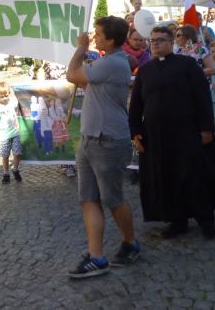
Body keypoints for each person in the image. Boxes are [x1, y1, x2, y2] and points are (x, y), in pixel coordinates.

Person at [129, 26, 215, 239]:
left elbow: (202, 97)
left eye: (160, 40)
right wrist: (136, 133)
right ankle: (177, 220)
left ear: (171, 42)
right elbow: (136, 104)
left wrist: (207, 128)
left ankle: (206, 221)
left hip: (187, 133)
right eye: (152, 40)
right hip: (157, 136)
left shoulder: (188, 65)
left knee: (194, 177)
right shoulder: (145, 70)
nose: (155, 44)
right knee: (166, 178)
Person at [65, 16, 139, 279]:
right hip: (90, 137)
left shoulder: (113, 62)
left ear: (110, 39)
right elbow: (85, 81)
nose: (94, 37)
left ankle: (130, 242)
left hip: (108, 139)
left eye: (98, 34)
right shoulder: (109, 61)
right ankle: (96, 256)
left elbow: (72, 75)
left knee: (112, 199)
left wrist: (80, 48)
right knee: (88, 198)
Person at [0, 81, 22, 183]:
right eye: (2, 96)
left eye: (6, 95)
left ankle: (15, 169)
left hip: (14, 133)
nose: (4, 98)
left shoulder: (11, 102)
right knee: (5, 156)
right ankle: (6, 173)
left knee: (17, 153)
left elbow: (14, 111)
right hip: (4, 136)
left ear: (9, 93)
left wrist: (17, 122)